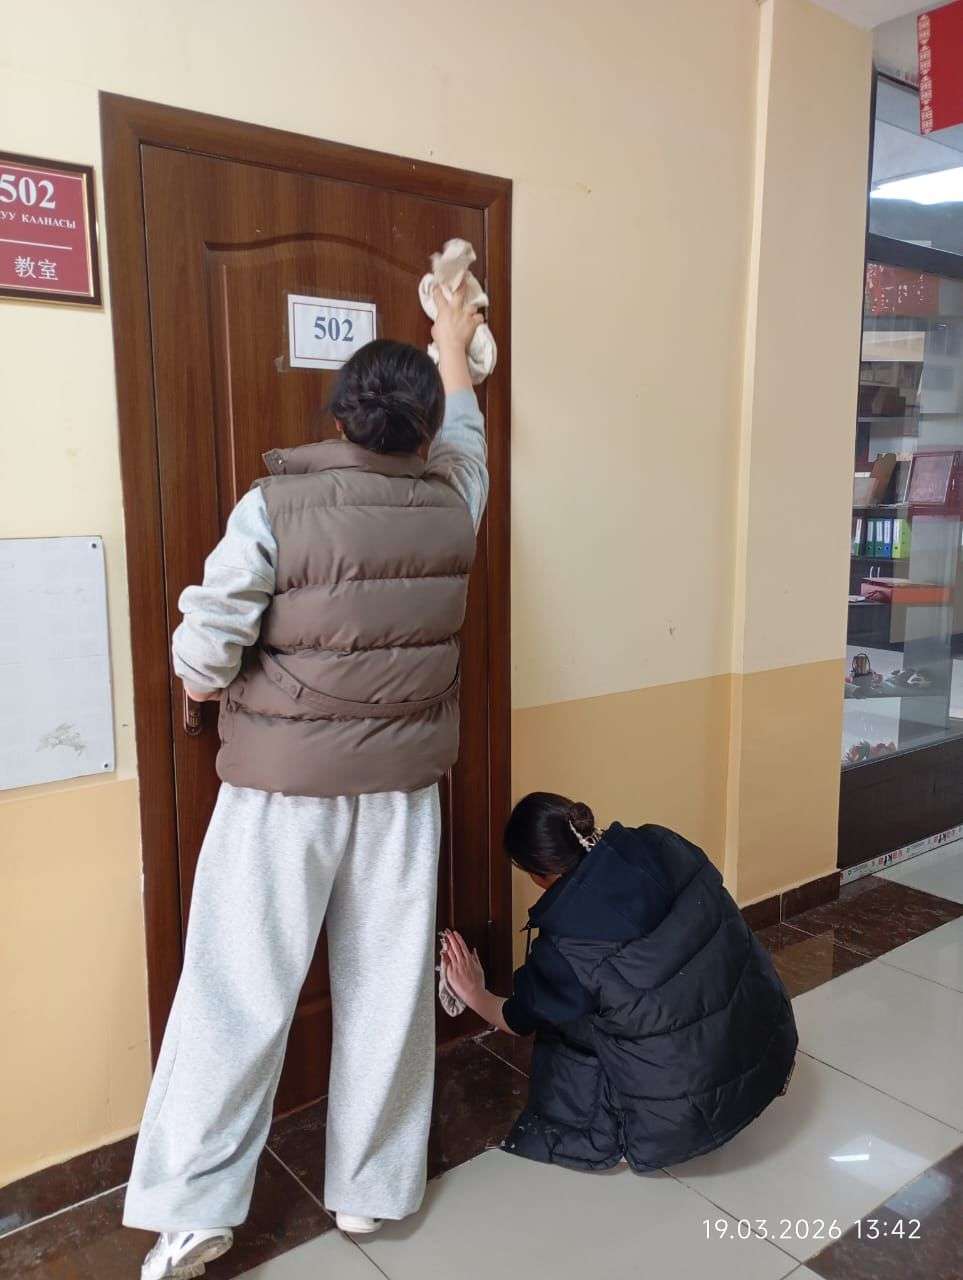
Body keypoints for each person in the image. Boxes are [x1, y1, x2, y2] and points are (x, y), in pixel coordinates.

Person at [125, 287, 487, 1280]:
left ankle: (193, 1211)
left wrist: (203, 682)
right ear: (423, 429)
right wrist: (452, 342)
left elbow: (206, 649)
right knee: (387, 991)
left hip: (281, 797)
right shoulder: (454, 500)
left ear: (337, 417)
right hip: (402, 795)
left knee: (236, 993)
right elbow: (468, 438)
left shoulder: (273, 504)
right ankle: (372, 1191)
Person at [443, 792, 797, 1173]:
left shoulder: (568, 948)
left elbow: (517, 1019)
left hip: (690, 1107)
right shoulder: (657, 841)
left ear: (536, 873)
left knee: (567, 1017)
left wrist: (473, 991)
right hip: (765, 1039)